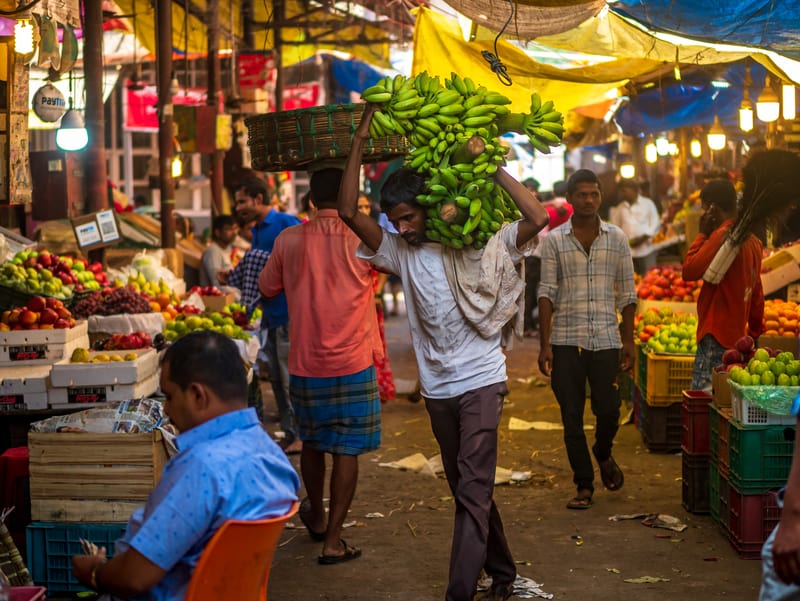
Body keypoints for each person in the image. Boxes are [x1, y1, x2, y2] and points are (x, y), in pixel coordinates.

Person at [339, 104, 549, 601]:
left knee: (472, 489)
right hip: (437, 389)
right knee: (465, 488)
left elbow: (537, 217)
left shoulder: (482, 244)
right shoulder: (400, 252)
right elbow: (349, 212)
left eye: (408, 217)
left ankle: (459, 592)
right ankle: (503, 573)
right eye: (395, 220)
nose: (402, 227)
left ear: (431, 207)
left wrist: (486, 162)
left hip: (481, 380)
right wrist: (361, 138)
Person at [71, 331, 300, 600]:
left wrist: (95, 573)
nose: (166, 409)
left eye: (168, 396)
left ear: (197, 396)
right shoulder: (273, 456)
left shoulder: (201, 469)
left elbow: (135, 577)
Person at [259, 168, 382, 565]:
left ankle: (316, 518)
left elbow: (267, 288)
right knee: (347, 450)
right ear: (352, 198)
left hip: (306, 362)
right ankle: (333, 539)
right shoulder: (363, 240)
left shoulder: (287, 239)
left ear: (311, 200)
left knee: (312, 442)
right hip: (353, 360)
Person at [537, 169, 637, 511]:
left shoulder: (617, 239)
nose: (589, 200)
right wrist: (545, 344)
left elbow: (627, 294)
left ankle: (603, 451)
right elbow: (546, 293)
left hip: (606, 338)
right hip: (566, 339)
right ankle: (584, 484)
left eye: (594, 194)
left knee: (609, 411)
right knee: (571, 417)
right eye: (582, 195)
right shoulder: (554, 242)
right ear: (570, 199)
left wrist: (629, 340)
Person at [235, 177, 302, 455]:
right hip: (271, 316)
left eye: (242, 201)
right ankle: (289, 432)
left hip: (290, 314)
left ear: (258, 199)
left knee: (290, 379)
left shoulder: (287, 223)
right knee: (276, 378)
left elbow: (304, 261)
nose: (238, 207)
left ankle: (301, 435)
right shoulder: (258, 231)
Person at [682, 179, 764, 391]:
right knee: (724, 402)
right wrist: (754, 332)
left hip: (715, 334)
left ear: (712, 208)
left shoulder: (723, 236)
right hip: (737, 336)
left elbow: (689, 271)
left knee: (704, 398)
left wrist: (701, 233)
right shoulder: (753, 241)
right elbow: (757, 293)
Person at [359, 192, 396, 402]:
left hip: (372, 297)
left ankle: (377, 386)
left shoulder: (373, 233)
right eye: (359, 207)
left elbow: (384, 266)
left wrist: (378, 291)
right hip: (356, 300)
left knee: (377, 343)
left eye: (365, 207)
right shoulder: (350, 233)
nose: (364, 211)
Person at [523, 181, 573, 337]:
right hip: (543, 255)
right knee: (539, 291)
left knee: (533, 291)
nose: (535, 193)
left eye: (535, 190)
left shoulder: (546, 209)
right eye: (531, 190)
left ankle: (531, 325)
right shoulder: (568, 208)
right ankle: (531, 325)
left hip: (538, 254)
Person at [609, 179, 661, 275]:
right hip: (628, 253)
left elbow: (655, 223)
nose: (622, 194)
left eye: (624, 191)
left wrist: (644, 237)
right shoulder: (620, 208)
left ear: (634, 190)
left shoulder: (648, 204)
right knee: (632, 280)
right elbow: (615, 228)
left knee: (650, 277)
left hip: (646, 250)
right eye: (621, 191)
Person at [199, 215, 238, 293]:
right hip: (219, 301)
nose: (234, 233)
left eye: (234, 228)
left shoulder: (226, 249)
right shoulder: (213, 252)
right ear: (217, 232)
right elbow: (219, 286)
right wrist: (242, 300)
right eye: (229, 229)